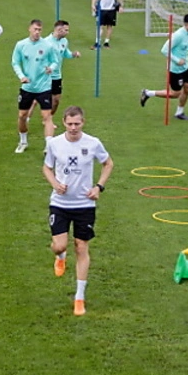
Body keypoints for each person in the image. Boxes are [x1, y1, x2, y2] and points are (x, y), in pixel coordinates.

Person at [42, 106, 113, 317]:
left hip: (84, 205)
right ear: (64, 123)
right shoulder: (55, 144)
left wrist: (98, 187)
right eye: (70, 124)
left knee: (81, 247)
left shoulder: (93, 143)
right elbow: (46, 167)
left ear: (83, 122)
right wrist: (55, 184)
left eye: (77, 124)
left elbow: (108, 164)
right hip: (60, 204)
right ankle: (60, 256)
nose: (73, 128)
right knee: (59, 245)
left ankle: (79, 298)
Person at [139, 13, 188, 120]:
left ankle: (179, 113)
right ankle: (148, 93)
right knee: (175, 94)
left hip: (186, 68)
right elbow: (164, 50)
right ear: (186, 24)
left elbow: (187, 45)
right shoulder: (178, 35)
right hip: (175, 70)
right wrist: (177, 60)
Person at [12, 20, 60, 154]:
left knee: (47, 116)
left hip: (44, 87)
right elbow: (15, 62)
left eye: (39, 30)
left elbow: (55, 61)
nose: (37, 32)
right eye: (35, 29)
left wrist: (51, 68)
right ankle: (23, 141)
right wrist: (21, 76)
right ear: (29, 29)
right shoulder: (21, 45)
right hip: (27, 87)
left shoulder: (47, 45)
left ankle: (49, 146)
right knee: (22, 115)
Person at [42, 19, 79, 120]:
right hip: (45, 76)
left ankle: (48, 118)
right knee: (40, 99)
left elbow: (65, 53)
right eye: (66, 30)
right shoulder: (46, 42)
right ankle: (29, 117)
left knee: (56, 101)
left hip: (57, 76)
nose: (68, 32)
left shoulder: (64, 41)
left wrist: (73, 54)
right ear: (59, 29)